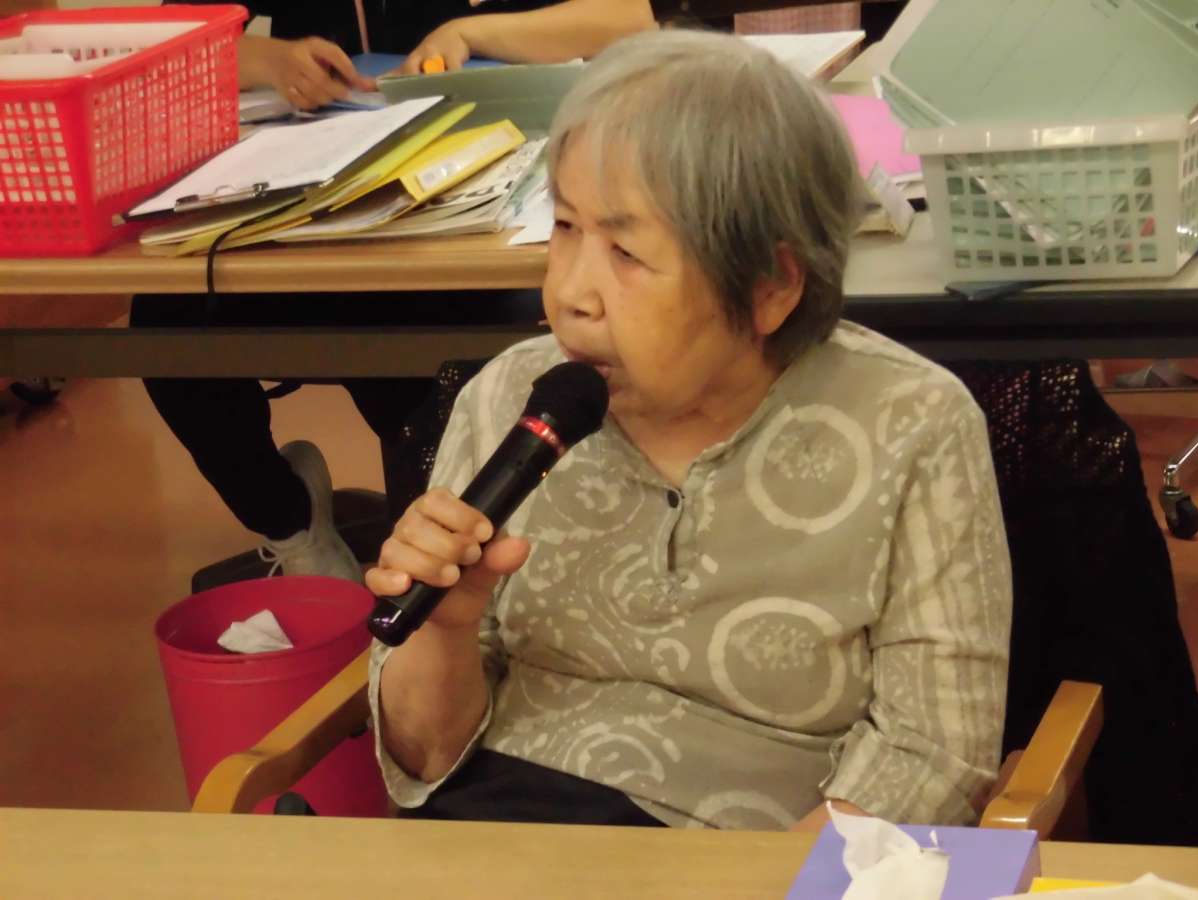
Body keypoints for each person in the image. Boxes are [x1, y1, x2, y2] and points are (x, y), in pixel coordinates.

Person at [366, 29, 1013, 830]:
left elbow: (932, 754)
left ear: (770, 287)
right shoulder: (508, 395)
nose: (569, 296)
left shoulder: (913, 422)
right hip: (504, 834)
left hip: (752, 851)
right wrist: (445, 630)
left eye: (626, 253)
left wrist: (782, 880)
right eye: (564, 227)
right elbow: (426, 759)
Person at [134, 0, 656, 584]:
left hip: (478, 225)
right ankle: (291, 525)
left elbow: (630, 19)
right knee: (169, 326)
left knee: (475, 351)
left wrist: (469, 31)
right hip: (323, 219)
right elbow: (158, 48)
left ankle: (471, 541)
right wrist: (267, 59)